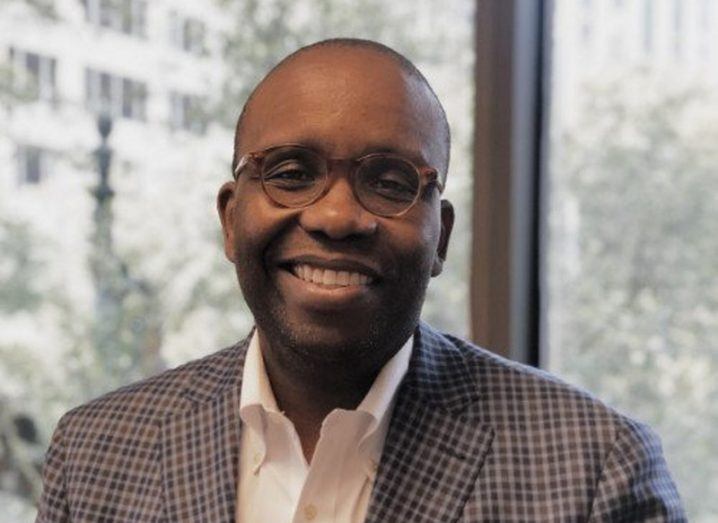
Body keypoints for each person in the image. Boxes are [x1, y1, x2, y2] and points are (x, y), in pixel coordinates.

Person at [36, 38, 685, 522]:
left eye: (390, 182)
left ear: (442, 236)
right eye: (291, 172)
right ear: (231, 219)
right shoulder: (93, 454)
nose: (338, 216)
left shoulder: (595, 468)